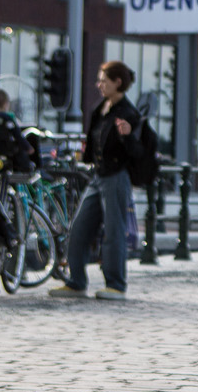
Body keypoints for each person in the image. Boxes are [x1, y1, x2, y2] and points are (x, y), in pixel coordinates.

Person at [49, 60, 142, 302]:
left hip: (116, 177)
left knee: (114, 231)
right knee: (78, 228)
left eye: (103, 80)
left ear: (117, 83)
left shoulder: (128, 113)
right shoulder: (101, 108)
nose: (98, 84)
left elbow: (137, 151)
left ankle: (116, 285)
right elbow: (92, 142)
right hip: (98, 176)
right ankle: (76, 282)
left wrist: (127, 136)